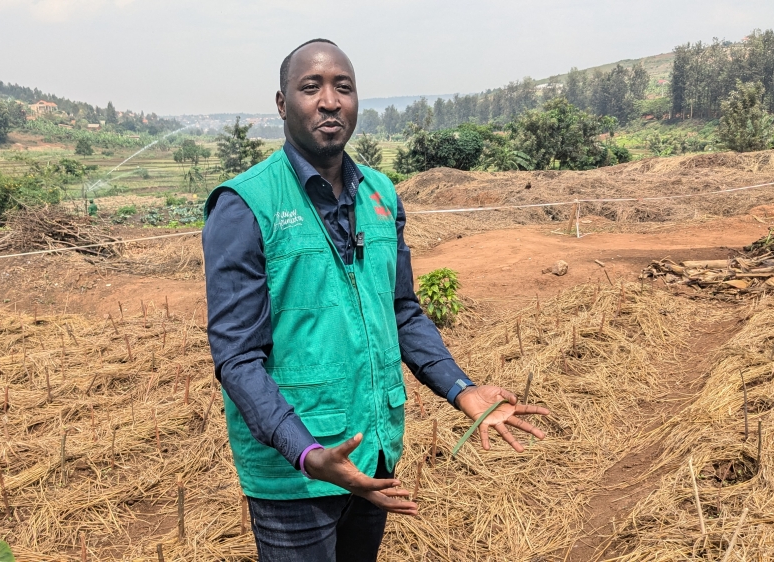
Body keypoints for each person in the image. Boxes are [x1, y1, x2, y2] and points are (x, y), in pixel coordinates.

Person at [202, 38, 550, 561]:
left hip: (374, 452)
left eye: (343, 87)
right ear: (281, 104)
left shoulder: (381, 194)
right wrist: (307, 452)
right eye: (310, 87)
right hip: (296, 476)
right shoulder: (245, 205)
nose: (329, 101)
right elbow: (236, 357)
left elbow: (401, 310)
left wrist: (462, 389)